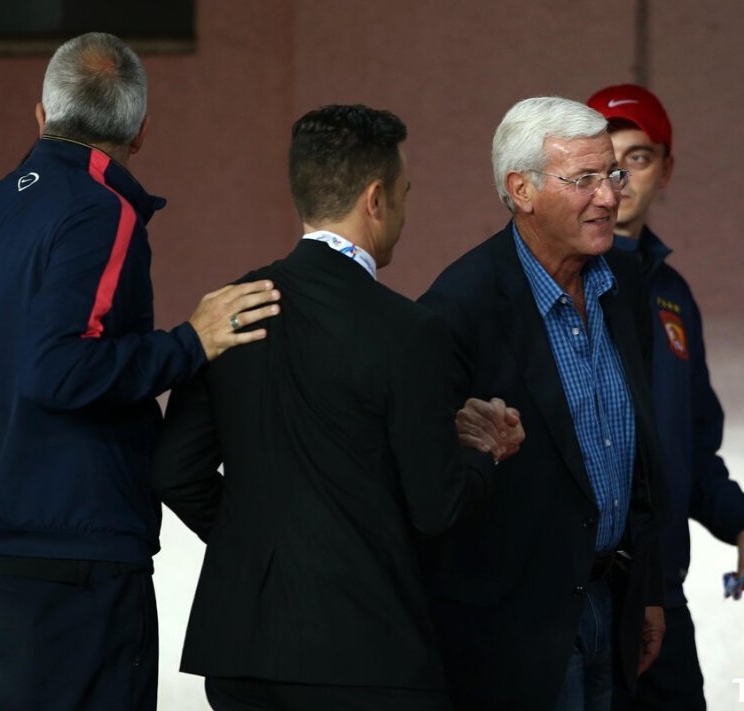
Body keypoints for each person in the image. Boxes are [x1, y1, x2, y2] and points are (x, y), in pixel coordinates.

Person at [151, 104, 525, 711]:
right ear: (375, 199)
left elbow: (174, 470)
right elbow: (437, 508)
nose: (404, 211)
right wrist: (488, 454)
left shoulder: (230, 309)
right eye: (404, 193)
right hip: (366, 651)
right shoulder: (409, 332)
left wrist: (259, 549)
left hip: (243, 648)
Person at [0, 32, 280, 711]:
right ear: (141, 131)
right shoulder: (101, 210)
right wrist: (191, 342)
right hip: (75, 560)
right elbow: (59, 369)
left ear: (41, 114)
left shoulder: (3, 203)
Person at [417, 96, 669, 711]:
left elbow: (638, 452)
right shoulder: (459, 308)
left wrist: (648, 588)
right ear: (521, 190)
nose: (609, 197)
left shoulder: (625, 282)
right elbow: (432, 491)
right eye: (584, 180)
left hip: (615, 600)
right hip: (513, 632)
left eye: (611, 174)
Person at [586, 83, 744, 710]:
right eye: (605, 161)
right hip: (579, 606)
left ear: (666, 170)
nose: (620, 178)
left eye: (638, 158)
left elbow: (691, 451)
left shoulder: (672, 294)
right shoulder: (555, 280)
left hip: (662, 598)